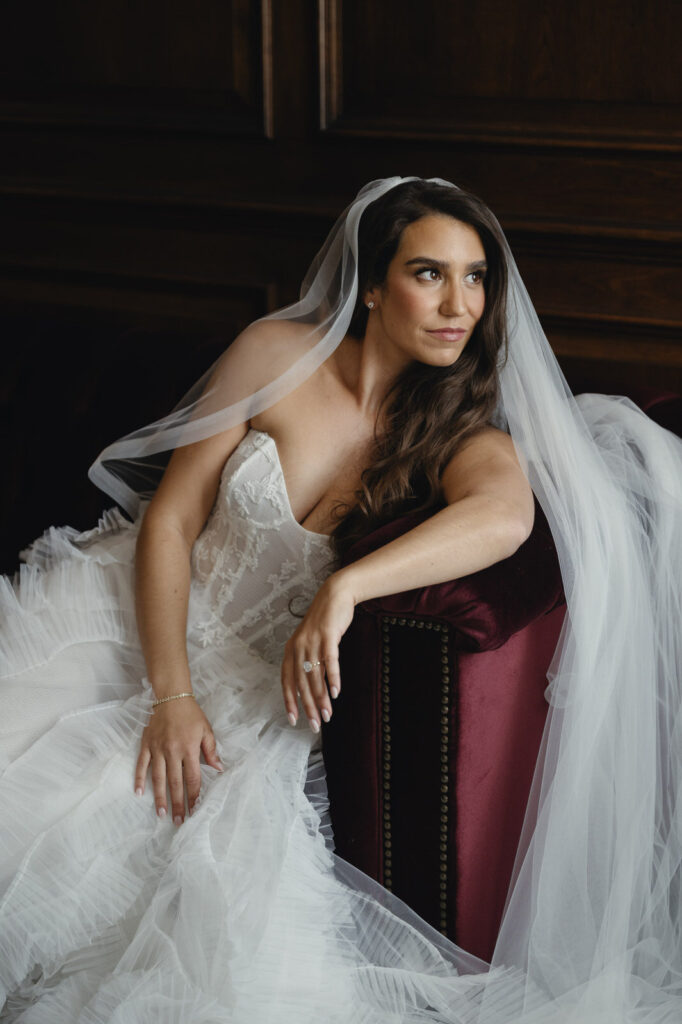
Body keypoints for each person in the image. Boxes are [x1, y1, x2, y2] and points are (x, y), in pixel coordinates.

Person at [0, 177, 680, 1023]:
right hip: (133, 615)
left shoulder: (462, 429)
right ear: (369, 285)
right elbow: (169, 522)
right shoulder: (274, 354)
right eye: (430, 273)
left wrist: (347, 585)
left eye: (476, 279)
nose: (458, 304)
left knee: (156, 872)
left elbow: (503, 521)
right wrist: (170, 694)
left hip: (256, 685)